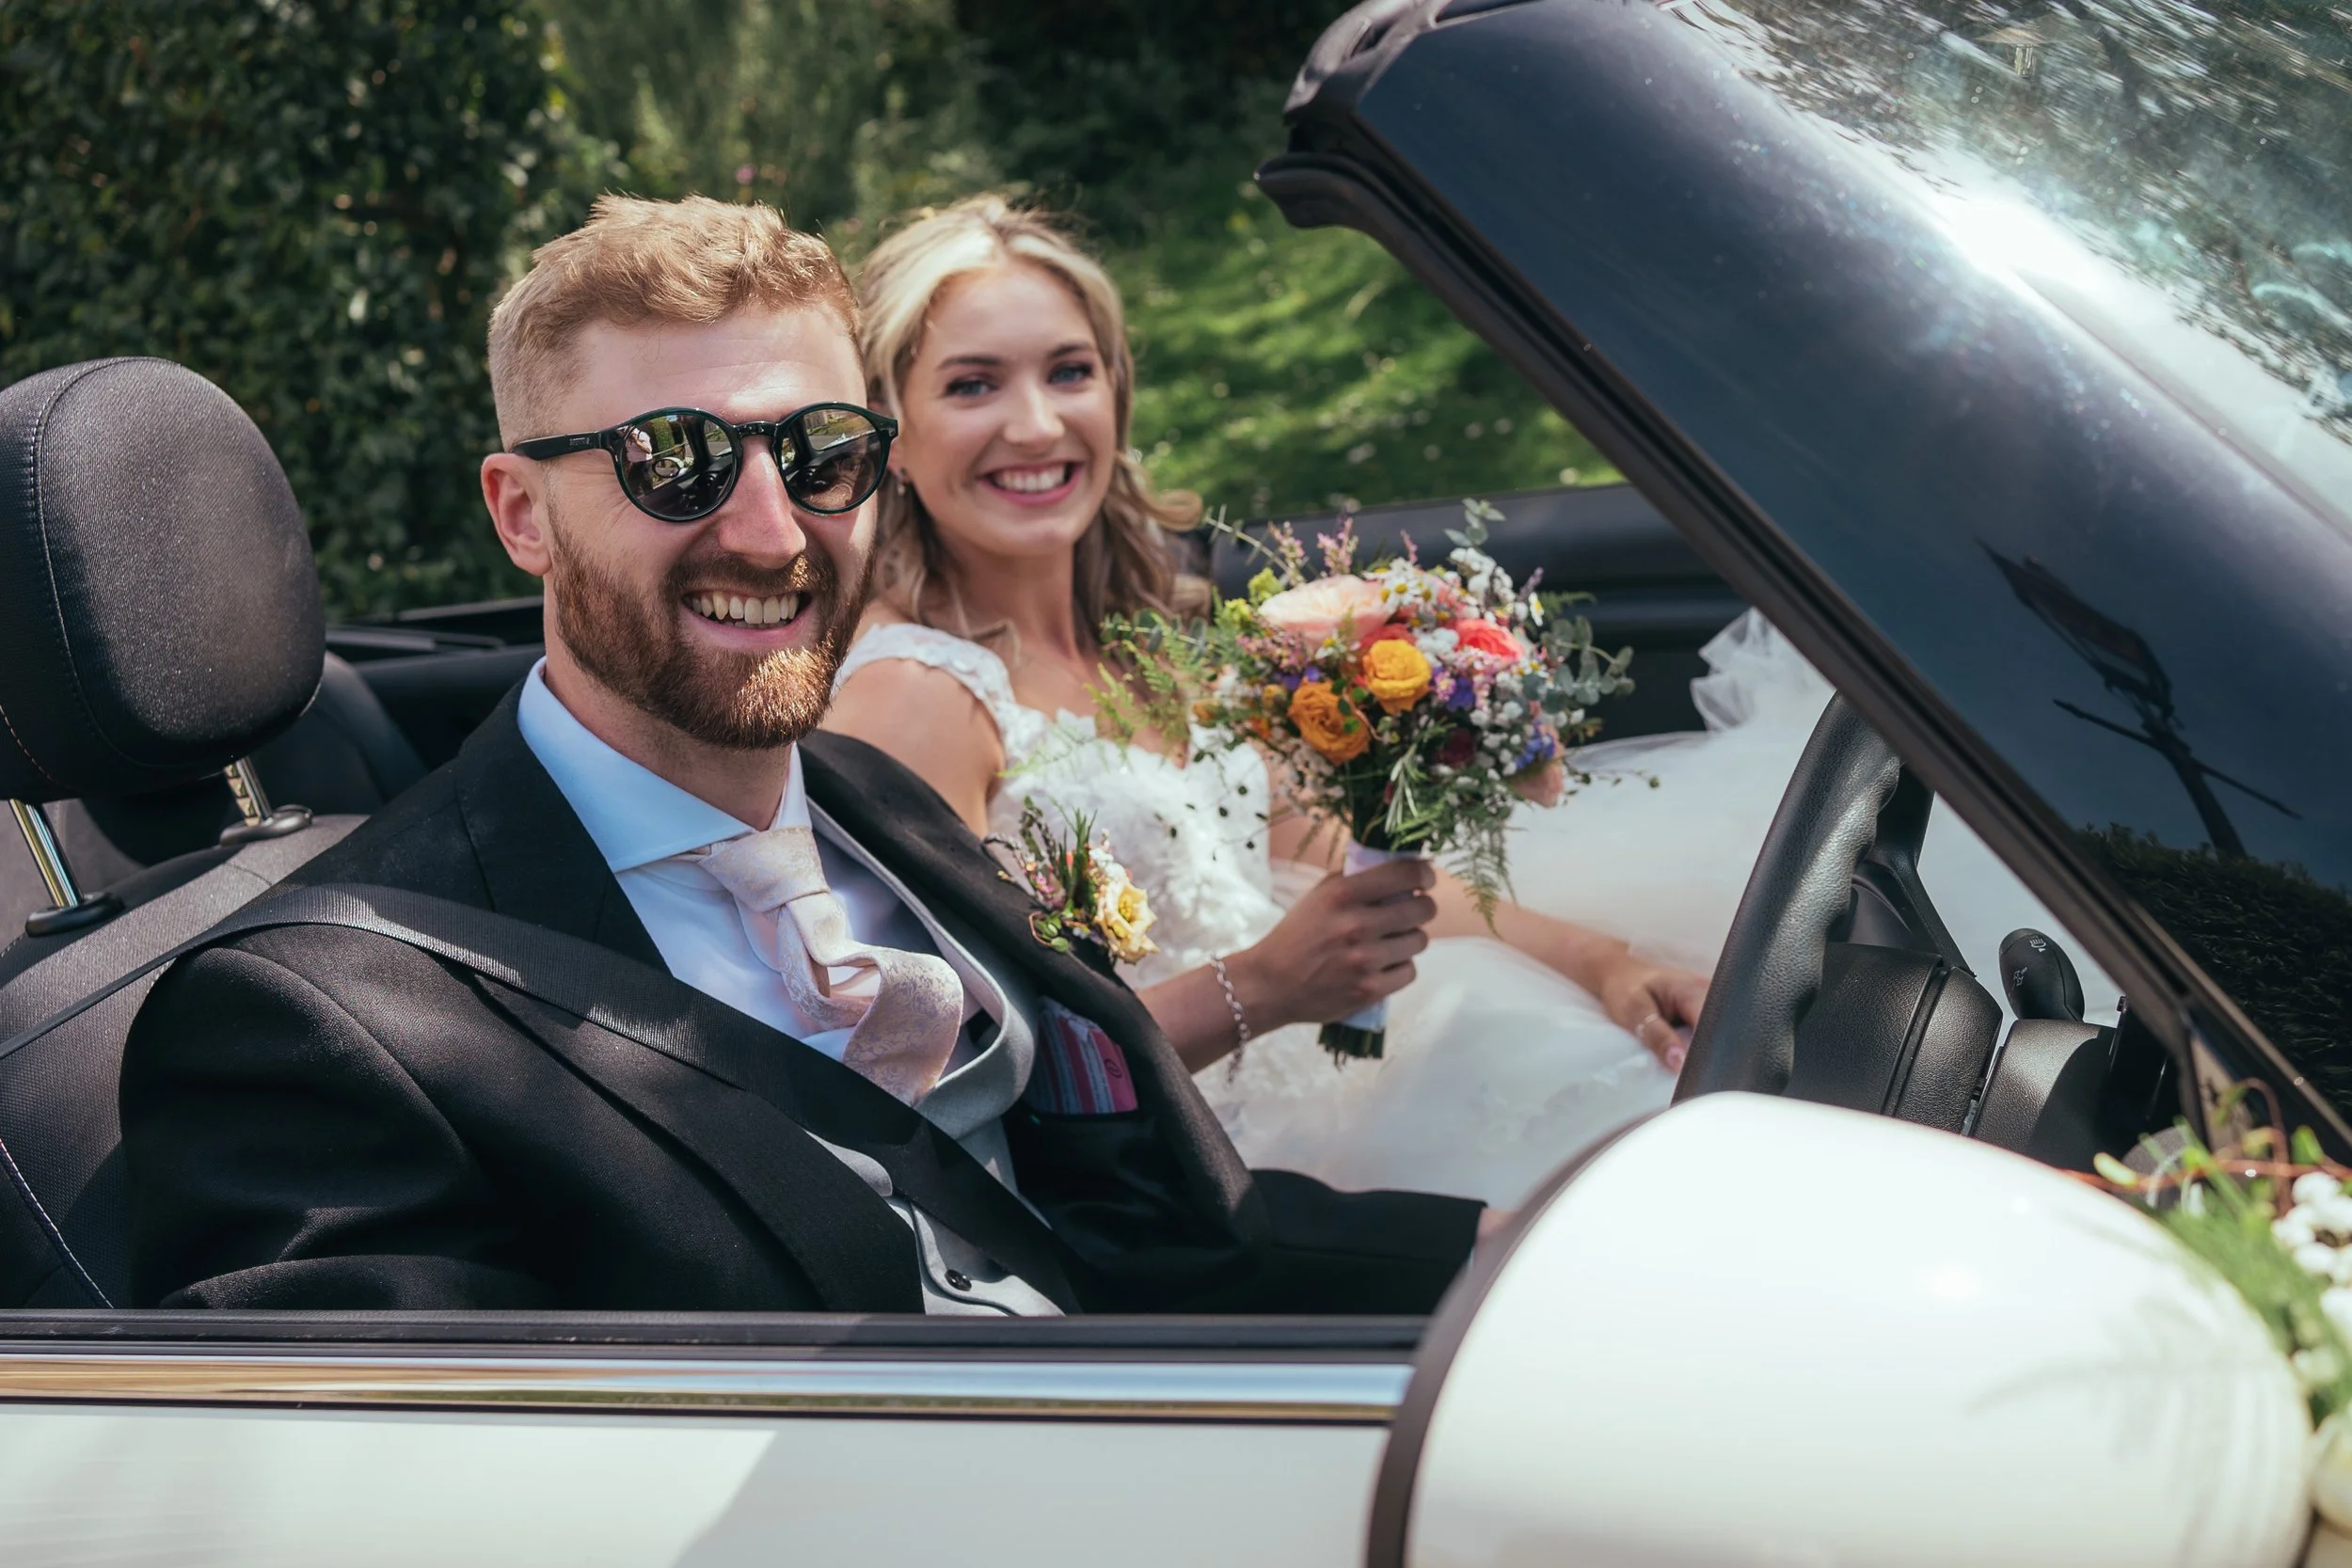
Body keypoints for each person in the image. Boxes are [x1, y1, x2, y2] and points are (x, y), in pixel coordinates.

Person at [119, 195, 1497, 1314]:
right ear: (522, 513)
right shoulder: (315, 1022)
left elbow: (1156, 1230)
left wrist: (1500, 1259)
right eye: (675, 461)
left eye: (822, 451)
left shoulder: (875, 801)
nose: (774, 532)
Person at [824, 196, 1710, 1209]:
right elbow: (973, 1071)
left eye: (1069, 371)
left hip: (1334, 1076)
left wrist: (1601, 962)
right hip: (1196, 1179)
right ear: (890, 433)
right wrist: (1264, 986)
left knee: (1654, 1099)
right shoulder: (914, 700)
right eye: (972, 385)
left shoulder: (1152, 637)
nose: (1036, 423)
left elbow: (1326, 860)